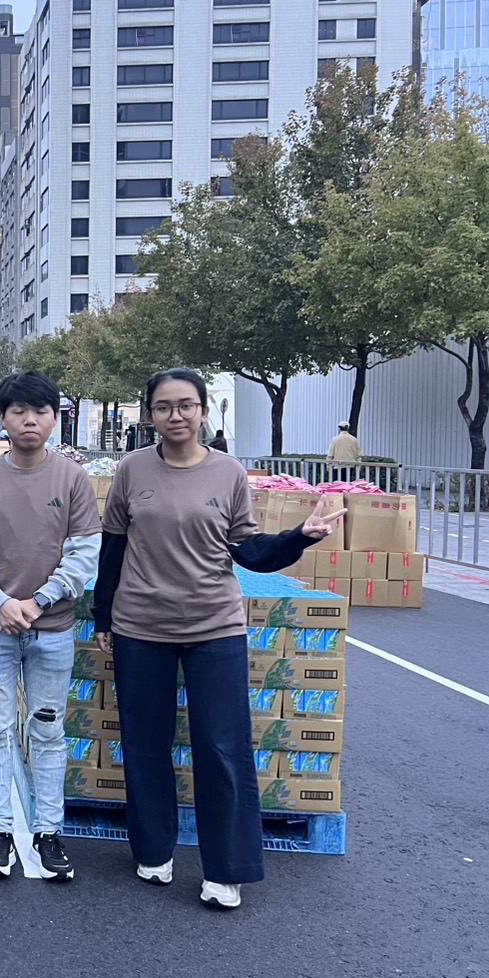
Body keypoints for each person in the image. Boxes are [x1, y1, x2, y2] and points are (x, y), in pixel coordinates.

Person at [91, 368, 343, 910]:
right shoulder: (133, 469)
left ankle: (226, 869)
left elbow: (247, 549)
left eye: (186, 405)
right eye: (163, 406)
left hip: (215, 627)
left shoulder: (228, 472)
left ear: (204, 411)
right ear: (149, 415)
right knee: (145, 741)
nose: (176, 415)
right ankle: (153, 851)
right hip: (141, 626)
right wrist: (103, 617)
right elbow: (113, 548)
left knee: (222, 747)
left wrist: (299, 537)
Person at [0, 371, 100, 881]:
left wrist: (38, 601)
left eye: (40, 411)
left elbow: (84, 553)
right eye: (18, 411)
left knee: (48, 730)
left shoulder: (72, 479)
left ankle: (49, 832)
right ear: (3, 418)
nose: (29, 420)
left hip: (52, 627)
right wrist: (0, 601)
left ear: (55, 419)